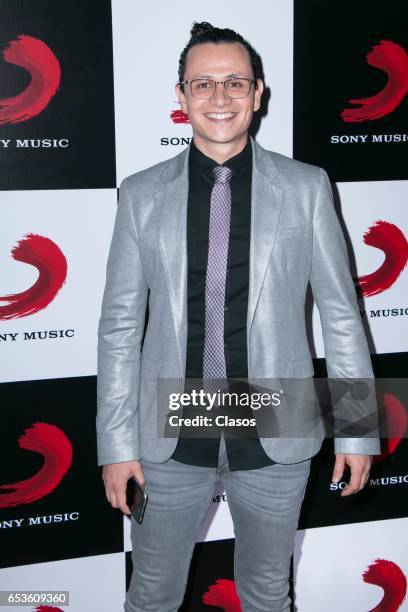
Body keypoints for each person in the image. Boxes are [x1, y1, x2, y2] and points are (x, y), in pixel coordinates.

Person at [96, 22, 380, 612]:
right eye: (204, 84)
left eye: (235, 83)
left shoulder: (306, 187)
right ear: (181, 96)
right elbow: (120, 328)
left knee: (268, 596)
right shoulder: (141, 194)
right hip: (168, 436)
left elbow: (341, 315)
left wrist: (356, 428)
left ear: (258, 94)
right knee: (150, 596)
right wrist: (115, 443)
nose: (219, 98)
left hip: (277, 426)